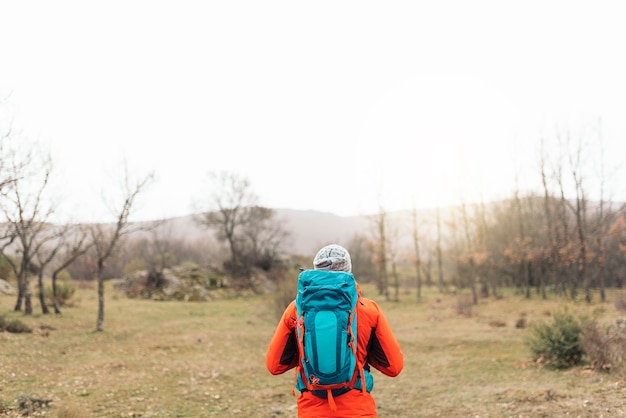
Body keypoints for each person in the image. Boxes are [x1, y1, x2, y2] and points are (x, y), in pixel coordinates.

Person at [266, 244, 404, 417]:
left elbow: (275, 366)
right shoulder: (369, 310)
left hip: (311, 410)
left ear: (316, 270)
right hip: (357, 410)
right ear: (348, 271)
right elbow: (394, 367)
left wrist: (308, 351)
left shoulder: (295, 310)